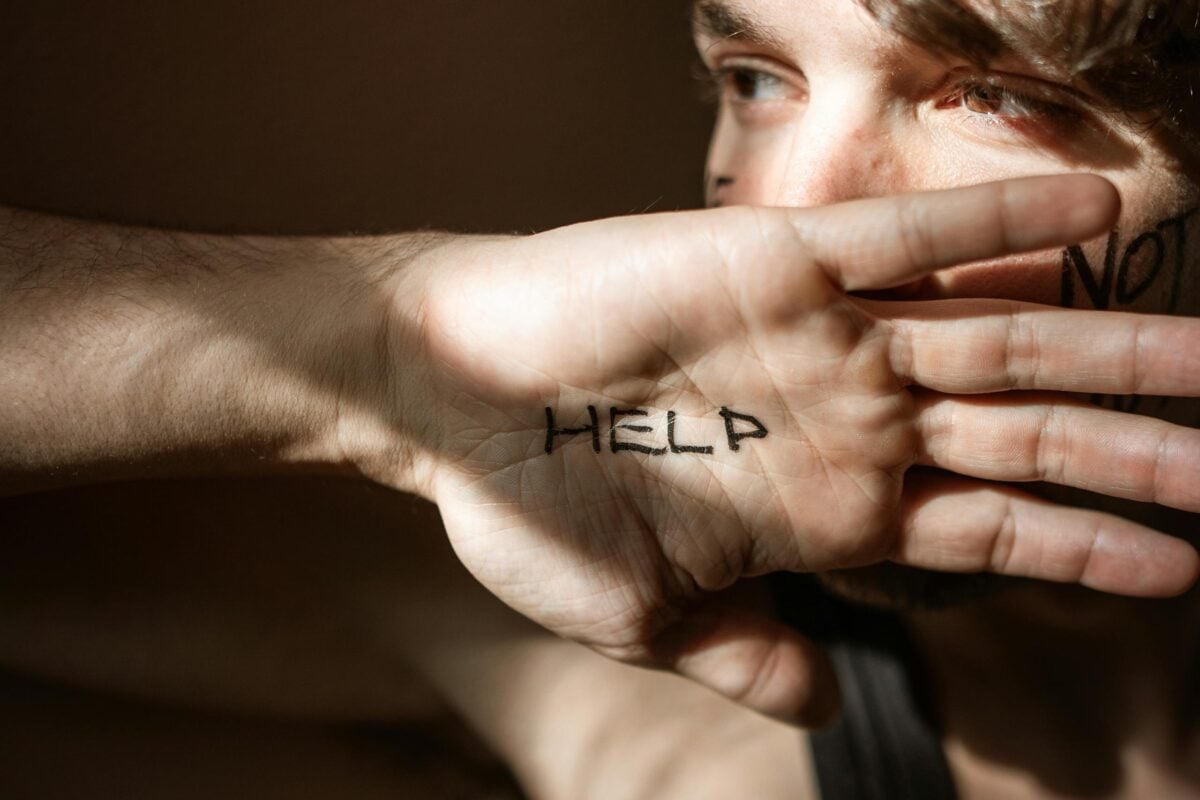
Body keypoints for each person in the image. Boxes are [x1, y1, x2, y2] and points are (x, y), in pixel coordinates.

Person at [0, 1, 1197, 798]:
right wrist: (393, 349)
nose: (793, 213)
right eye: (755, 77)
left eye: (1001, 95)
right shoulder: (652, 667)